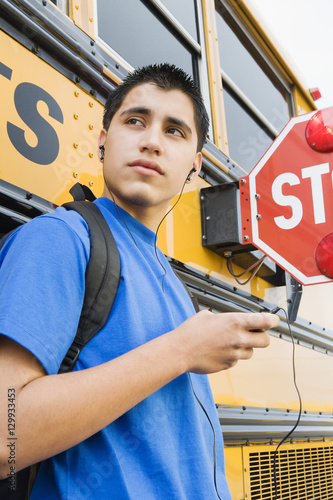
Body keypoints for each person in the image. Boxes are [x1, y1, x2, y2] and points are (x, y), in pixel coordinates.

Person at [0, 63, 279, 499]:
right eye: (135, 121)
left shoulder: (167, 274)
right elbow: (6, 436)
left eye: (175, 131)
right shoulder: (61, 239)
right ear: (103, 139)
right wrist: (183, 350)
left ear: (195, 165)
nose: (151, 141)